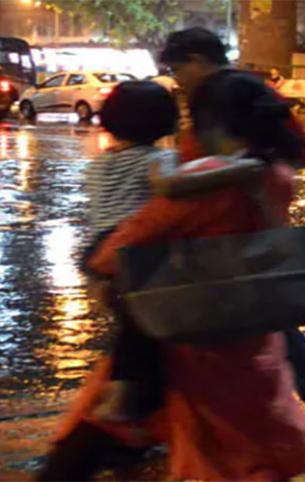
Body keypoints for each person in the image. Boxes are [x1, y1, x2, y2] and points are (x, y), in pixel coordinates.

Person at [39, 69, 305, 482]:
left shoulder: (204, 182)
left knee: (111, 423)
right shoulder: (276, 173)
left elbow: (127, 243)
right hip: (244, 332)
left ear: (210, 121)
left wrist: (100, 267)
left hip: (181, 330)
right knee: (247, 445)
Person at [158, 27, 305, 433]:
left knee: (229, 328)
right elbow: (298, 154)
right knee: (265, 325)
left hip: (230, 234)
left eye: (178, 68)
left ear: (198, 59)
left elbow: (197, 169)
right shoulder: (255, 88)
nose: (177, 79)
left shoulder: (217, 97)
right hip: (258, 228)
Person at [81, 81, 178, 422]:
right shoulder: (162, 161)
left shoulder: (98, 164)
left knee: (131, 324)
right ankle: (121, 396)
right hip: (133, 250)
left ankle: (120, 394)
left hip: (98, 250)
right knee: (143, 328)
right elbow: (172, 197)